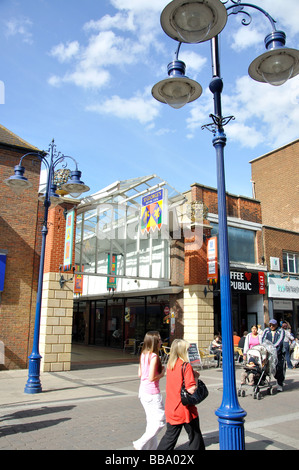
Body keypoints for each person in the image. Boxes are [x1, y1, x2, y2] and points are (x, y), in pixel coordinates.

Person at [157, 339, 205, 451]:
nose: (188, 351)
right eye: (187, 349)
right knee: (194, 435)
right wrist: (196, 379)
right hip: (184, 408)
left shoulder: (170, 364)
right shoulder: (185, 365)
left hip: (172, 405)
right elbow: (191, 388)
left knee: (171, 437)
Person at [133, 331, 166, 450]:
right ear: (154, 342)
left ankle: (150, 449)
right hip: (152, 393)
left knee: (151, 422)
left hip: (143, 391)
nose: (161, 342)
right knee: (160, 422)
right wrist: (162, 373)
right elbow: (152, 377)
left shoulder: (143, 354)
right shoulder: (154, 356)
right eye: (159, 340)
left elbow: (140, 374)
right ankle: (140, 443)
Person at [262, 319, 285, 392]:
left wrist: (273, 347)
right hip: (268, 352)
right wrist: (266, 347)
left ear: (276, 325)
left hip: (277, 352)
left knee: (279, 368)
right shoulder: (266, 330)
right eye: (270, 325)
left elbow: (280, 340)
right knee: (264, 367)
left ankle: (279, 384)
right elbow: (263, 339)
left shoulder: (280, 331)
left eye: (273, 325)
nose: (272, 326)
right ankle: (262, 380)